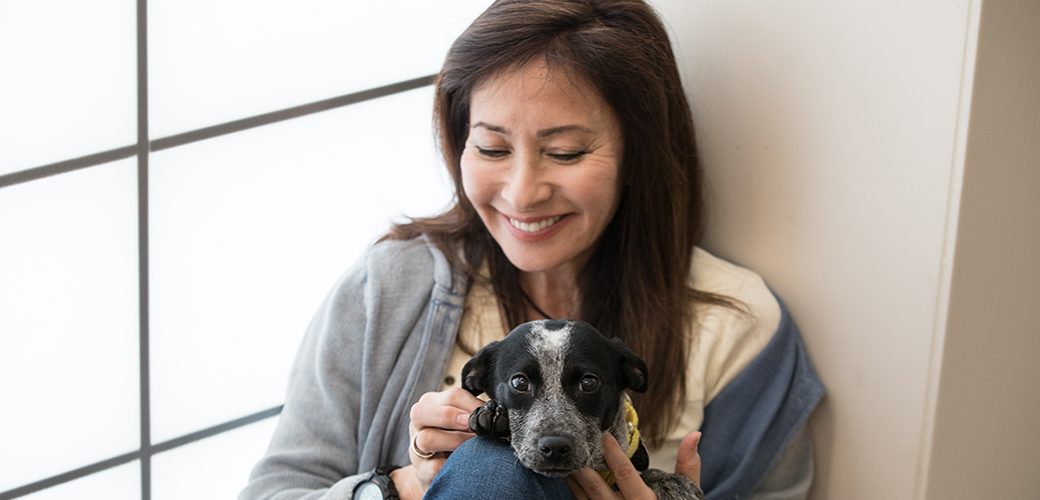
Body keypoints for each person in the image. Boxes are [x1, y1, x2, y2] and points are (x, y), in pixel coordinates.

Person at [239, 0, 824, 499]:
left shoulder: (736, 328)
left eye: (566, 152)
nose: (522, 193)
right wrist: (407, 486)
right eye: (492, 148)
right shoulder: (391, 288)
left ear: (638, 152)